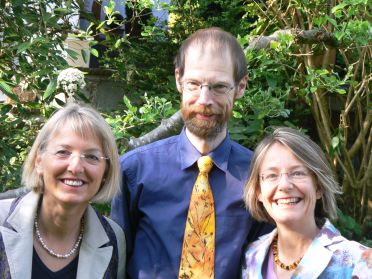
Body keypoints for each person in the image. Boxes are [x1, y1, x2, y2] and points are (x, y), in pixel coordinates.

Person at [111, 27, 272, 279]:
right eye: (194, 84)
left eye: (219, 87)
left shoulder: (260, 175)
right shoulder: (134, 171)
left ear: (240, 87)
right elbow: (114, 261)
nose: (204, 99)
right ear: (178, 80)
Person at [0, 103, 125, 278]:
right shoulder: (1, 221)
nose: (75, 167)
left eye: (91, 156)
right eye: (63, 152)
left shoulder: (114, 240)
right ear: (39, 161)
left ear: (105, 171)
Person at [242, 127, 372, 278]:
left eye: (298, 173)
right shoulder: (251, 257)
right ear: (258, 191)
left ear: (318, 187)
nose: (284, 185)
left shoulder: (360, 263)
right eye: (272, 175)